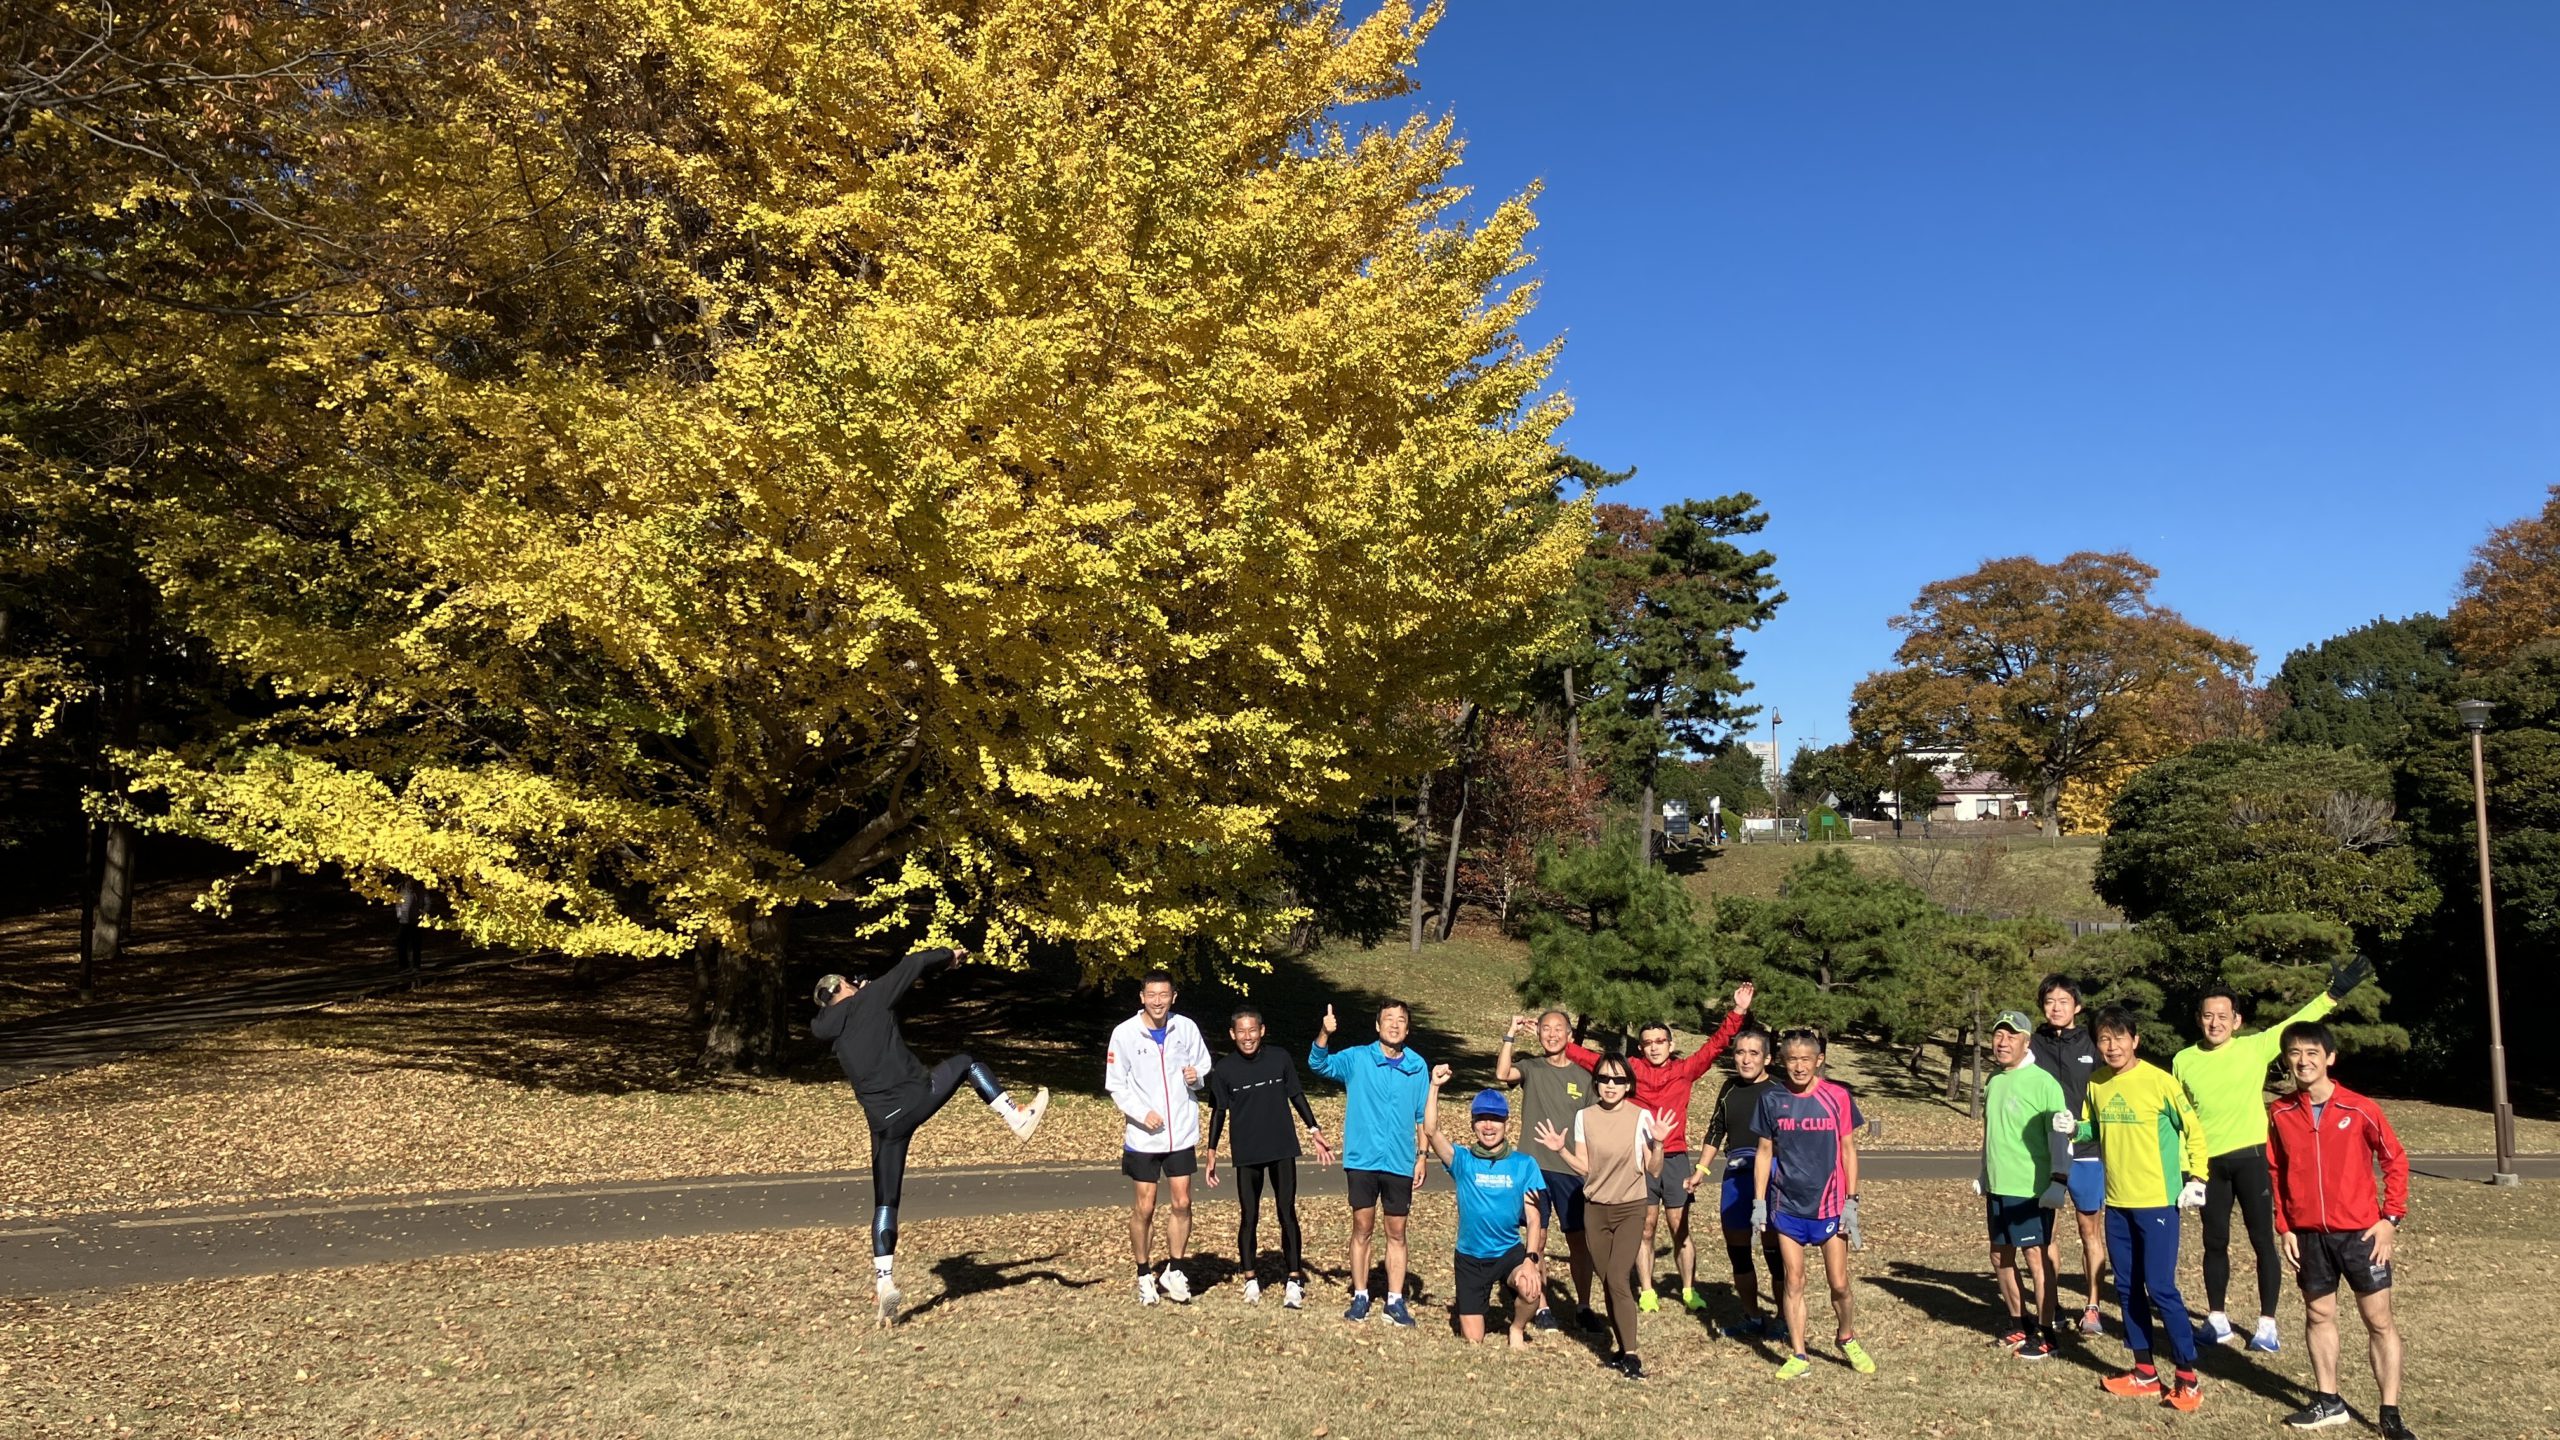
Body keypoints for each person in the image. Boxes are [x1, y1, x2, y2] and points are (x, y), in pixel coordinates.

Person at [810, 946, 1049, 1325]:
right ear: (842, 985)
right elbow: (913, 963)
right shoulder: (871, 997)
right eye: (850, 982)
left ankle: (884, 1281)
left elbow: (843, 1014)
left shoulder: (830, 1027)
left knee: (885, 1202)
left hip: (884, 1124)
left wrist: (863, 992)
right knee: (967, 1062)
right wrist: (948, 955)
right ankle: (1015, 1115)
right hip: (915, 1097)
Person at [2171, 956, 2369, 1352]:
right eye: (2208, 1016)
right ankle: (2216, 1319)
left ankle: (2267, 1325)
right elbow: (2182, 1119)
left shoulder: (2254, 1047)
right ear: (2198, 1019)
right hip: (2208, 1165)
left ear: (2237, 1021)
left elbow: (2297, 1022)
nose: (2215, 1023)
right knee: (2214, 1241)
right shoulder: (2183, 1060)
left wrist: (2334, 994)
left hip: (2252, 1158)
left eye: (2223, 1016)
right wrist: (2187, 1171)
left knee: (2263, 1239)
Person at [1561, 983, 1757, 1313]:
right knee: (1646, 1227)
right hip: (1640, 1158)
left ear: (1671, 1044)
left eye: (1660, 1041)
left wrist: (1737, 1011)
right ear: (1641, 1047)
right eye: (1648, 1043)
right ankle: (1648, 1290)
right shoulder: (1632, 1070)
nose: (1654, 1048)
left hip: (1675, 1156)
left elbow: (1715, 1045)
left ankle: (1689, 1289)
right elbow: (1594, 1061)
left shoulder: (1685, 1071)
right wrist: (1560, 1044)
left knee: (1680, 1227)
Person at [2268, 1019, 2414, 1439]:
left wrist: (2390, 1219)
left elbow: (2395, 1160)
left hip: (2362, 1235)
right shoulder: (2279, 1113)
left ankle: (2390, 1412)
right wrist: (2285, 1227)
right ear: (2287, 1060)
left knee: (2378, 1320)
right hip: (2309, 1235)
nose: (2303, 1061)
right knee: (2318, 1314)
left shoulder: (2360, 1107)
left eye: (2312, 1053)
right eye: (2295, 1053)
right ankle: (2329, 1401)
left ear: (2329, 1058)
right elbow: (2275, 1172)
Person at [2078, 1005, 2210, 1412]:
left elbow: (2194, 1130)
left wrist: (2198, 1177)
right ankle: (2145, 1372)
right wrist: (2072, 1128)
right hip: (2117, 1202)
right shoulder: (2097, 1083)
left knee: (2161, 1288)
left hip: (2157, 1202)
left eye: (2119, 1037)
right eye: (2104, 1038)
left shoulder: (2160, 1082)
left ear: (2135, 1040)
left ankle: (2187, 1377)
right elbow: (2093, 1127)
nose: (2112, 1046)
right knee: (2127, 1287)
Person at [1533, 1053, 1673, 1379]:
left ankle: (1632, 1355)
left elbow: (1653, 1170)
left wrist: (1659, 1144)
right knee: (1608, 1280)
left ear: (1628, 1084)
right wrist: (1560, 1150)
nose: (1611, 1085)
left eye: (1618, 1079)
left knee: (1618, 1278)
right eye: (1604, 1079)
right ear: (1596, 1082)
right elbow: (1585, 1167)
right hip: (1595, 1209)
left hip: (1630, 1208)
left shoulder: (1641, 1117)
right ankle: (1621, 1349)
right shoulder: (1585, 1117)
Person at [1752, 1029, 1875, 1381]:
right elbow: (1764, 1153)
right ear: (1782, 1061)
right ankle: (1799, 1353)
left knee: (1839, 1283)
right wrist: (1759, 1203)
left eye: (1806, 1059)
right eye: (1792, 1059)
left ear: (1819, 1060)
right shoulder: (1772, 1099)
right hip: (1787, 1205)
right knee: (1794, 1280)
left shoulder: (1837, 1096)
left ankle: (1846, 1336)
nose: (1799, 1066)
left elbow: (1849, 1150)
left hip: (1830, 1205)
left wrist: (1852, 1202)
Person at [1308, 999, 1431, 1327]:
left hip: (1400, 1162)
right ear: (1377, 1026)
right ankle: (1360, 1295)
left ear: (1408, 1029)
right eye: (1388, 1019)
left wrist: (1422, 1156)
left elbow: (1423, 1116)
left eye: (1401, 1020)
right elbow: (1318, 1064)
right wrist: (1325, 1033)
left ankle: (1395, 1300)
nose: (1394, 1025)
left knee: (1397, 1232)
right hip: (1363, 1159)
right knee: (1362, 1227)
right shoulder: (1357, 1058)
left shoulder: (1417, 1066)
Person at [1203, 1005, 1334, 1308]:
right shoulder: (1224, 1069)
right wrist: (1211, 1152)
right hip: (1247, 1152)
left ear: (1262, 1031)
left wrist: (1314, 1129)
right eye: (1241, 1032)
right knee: (1249, 1215)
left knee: (1286, 1212)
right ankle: (1251, 1279)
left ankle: (1294, 1279)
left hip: (1281, 1148)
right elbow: (1218, 1112)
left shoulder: (1280, 1058)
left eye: (1253, 1030)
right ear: (1232, 1034)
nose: (1247, 1037)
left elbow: (1296, 1095)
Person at [1106, 969, 1215, 1306]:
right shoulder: (1125, 1034)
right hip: (1144, 1137)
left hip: (1180, 1132)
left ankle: (1175, 1270)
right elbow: (1116, 1084)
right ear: (1142, 997)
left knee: (1182, 1203)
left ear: (1173, 997)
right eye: (1151, 995)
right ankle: (1144, 1274)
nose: (1157, 1001)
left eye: (1163, 995)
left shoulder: (1186, 1028)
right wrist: (1141, 1113)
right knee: (1146, 1206)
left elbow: (1203, 1065)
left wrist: (1196, 1077)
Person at [1422, 1070, 1549, 1348]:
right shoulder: (1462, 1161)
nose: (1488, 1126)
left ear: (1506, 1124)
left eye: (1495, 1119)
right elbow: (1430, 1131)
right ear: (1473, 1125)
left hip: (1508, 1252)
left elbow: (1533, 1217)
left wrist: (1531, 1259)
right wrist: (1434, 1086)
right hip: (1471, 1258)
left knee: (1531, 1288)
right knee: (1473, 1339)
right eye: (1481, 1119)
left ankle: (1516, 1328)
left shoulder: (1524, 1164)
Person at [1977, 1010, 2074, 1361]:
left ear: (2026, 1041)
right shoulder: (1994, 1080)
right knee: (1999, 1255)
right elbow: (1991, 1132)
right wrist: (1983, 1173)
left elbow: (2060, 1136)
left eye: (2011, 1036)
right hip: (1999, 1186)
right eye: (1998, 1035)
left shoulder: (2043, 1083)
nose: (2003, 1043)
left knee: (2036, 1257)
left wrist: (2058, 1180)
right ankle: (2020, 1323)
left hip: (2032, 1188)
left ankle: (2048, 1333)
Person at [1496, 1010, 1600, 1331]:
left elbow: (1593, 1126)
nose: (1552, 1035)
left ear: (1570, 1035)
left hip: (1570, 1170)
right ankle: (1541, 1307)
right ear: (1538, 1033)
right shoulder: (1531, 1067)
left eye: (1558, 1029)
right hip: (1534, 1169)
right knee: (1537, 1239)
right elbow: (1502, 1073)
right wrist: (1511, 1032)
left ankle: (1583, 1306)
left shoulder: (1584, 1078)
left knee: (1578, 1241)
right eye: (1546, 1029)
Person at [2029, 972, 2110, 1335]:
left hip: (2087, 1151)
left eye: (2063, 1001)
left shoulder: (2093, 1044)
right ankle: (2052, 1303)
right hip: (2045, 1152)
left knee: (2089, 1229)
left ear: (2077, 1006)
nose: (2056, 1008)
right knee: (2045, 1231)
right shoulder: (2032, 1044)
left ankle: (2092, 1306)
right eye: (2049, 1002)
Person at [1694, 1023, 1786, 1338]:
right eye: (1740, 1052)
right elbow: (1716, 1129)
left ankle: (1784, 1317)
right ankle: (1752, 1316)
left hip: (1772, 1176)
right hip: (1736, 1177)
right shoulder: (1729, 1088)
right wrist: (1701, 1170)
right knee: (1738, 1251)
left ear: (1767, 1058)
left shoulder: (1779, 1091)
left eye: (1754, 1053)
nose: (1746, 1059)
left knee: (1775, 1252)